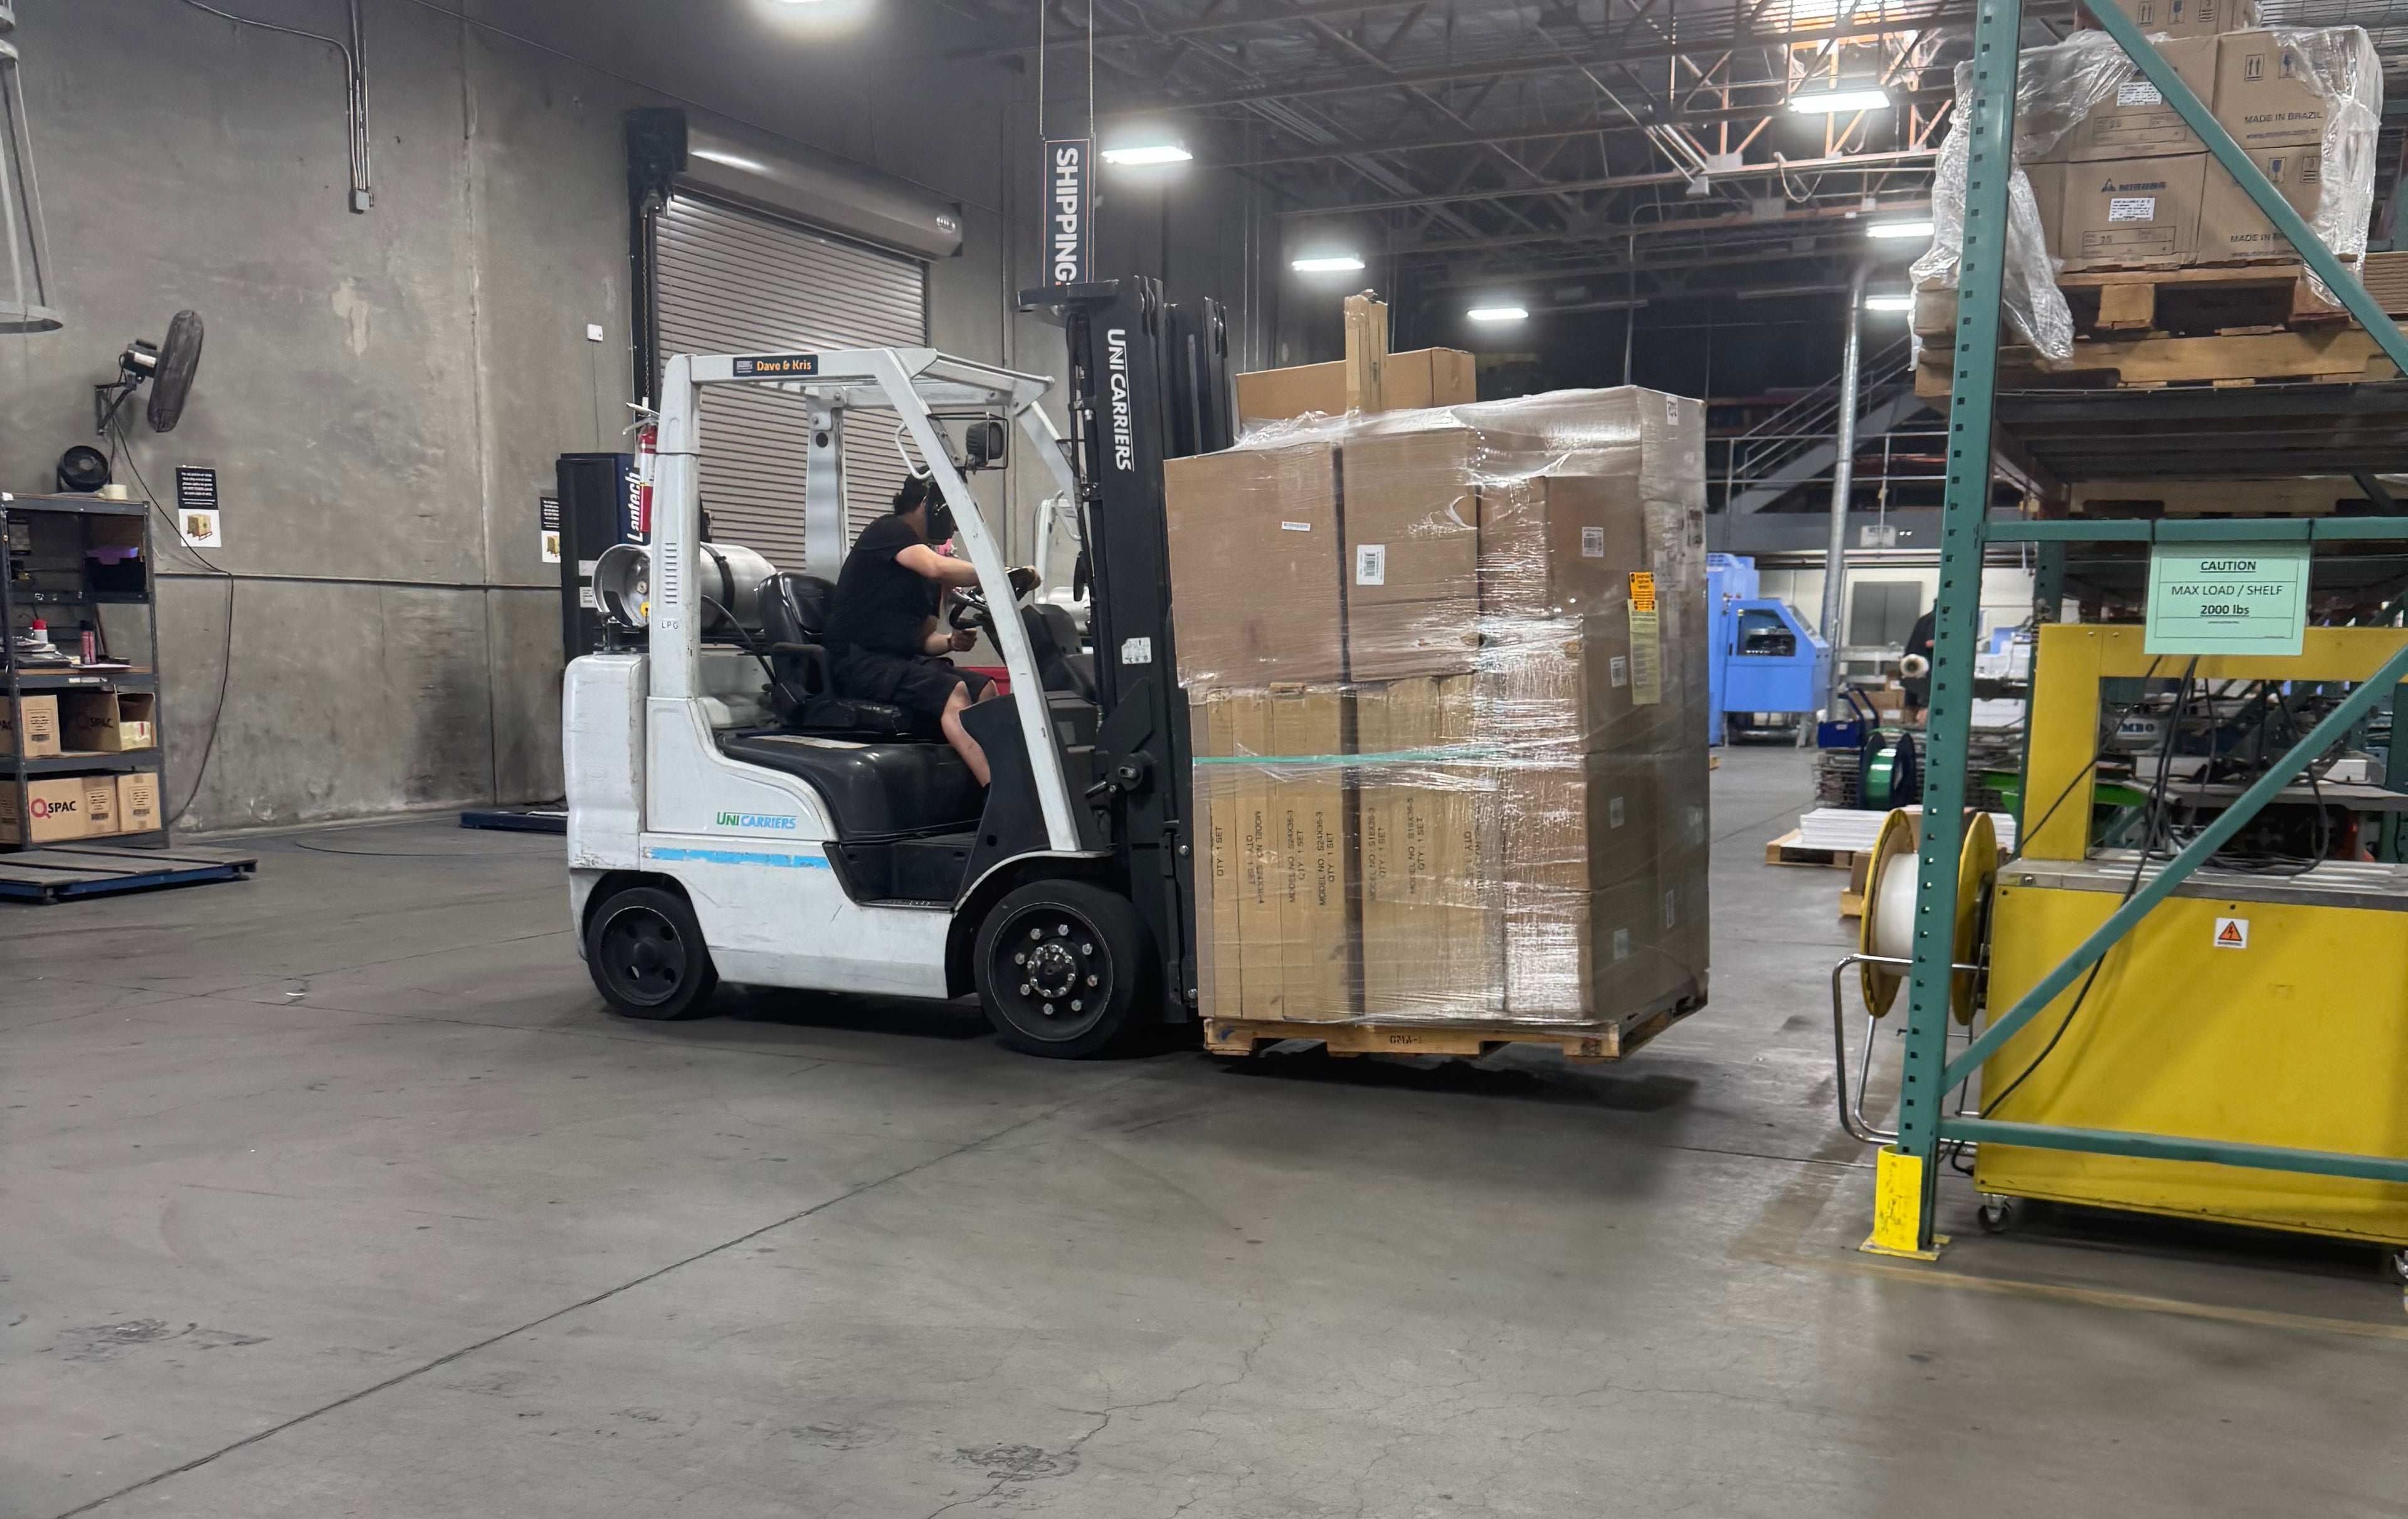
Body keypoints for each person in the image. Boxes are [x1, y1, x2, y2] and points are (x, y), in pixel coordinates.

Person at [823, 476, 1030, 786]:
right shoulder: (888, 531)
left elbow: (923, 641)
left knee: (984, 687)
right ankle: (1002, 793)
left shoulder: (928, 568)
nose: (955, 527)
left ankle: (995, 783)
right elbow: (937, 568)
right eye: (952, 515)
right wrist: (1003, 574)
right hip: (856, 662)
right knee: (953, 691)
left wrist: (950, 642)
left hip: (896, 663)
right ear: (928, 505)